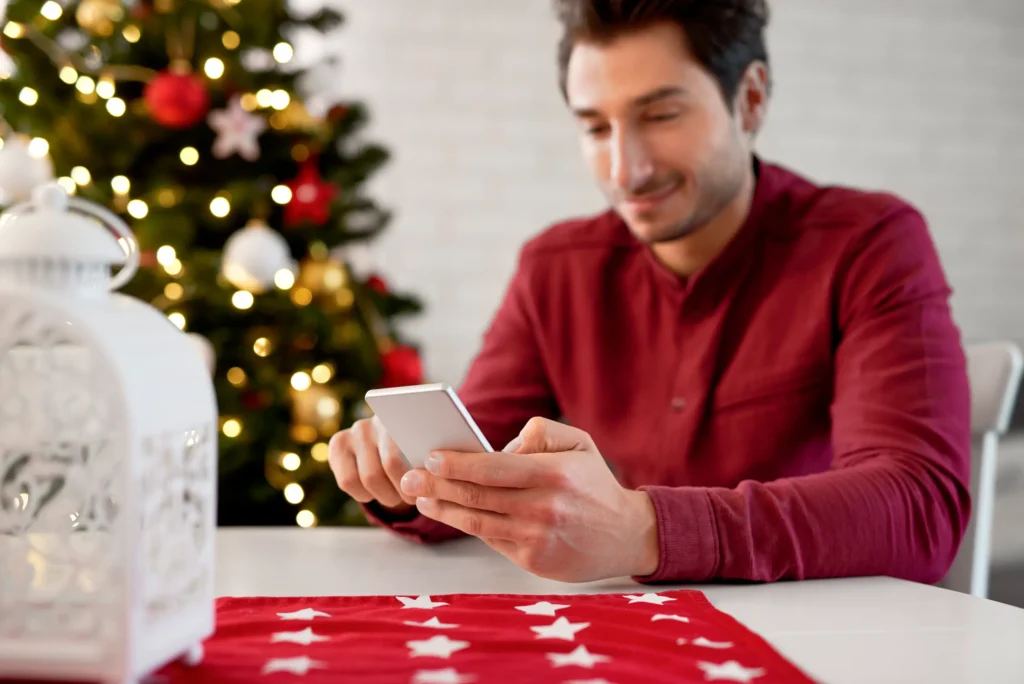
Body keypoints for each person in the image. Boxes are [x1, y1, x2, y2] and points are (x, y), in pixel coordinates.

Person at [328, 0, 972, 585]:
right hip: (622, 635)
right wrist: (404, 477)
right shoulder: (555, 268)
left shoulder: (871, 243)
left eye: (660, 115)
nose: (625, 170)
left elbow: (919, 508)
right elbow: (481, 474)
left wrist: (644, 531)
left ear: (750, 101)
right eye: (596, 128)